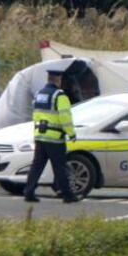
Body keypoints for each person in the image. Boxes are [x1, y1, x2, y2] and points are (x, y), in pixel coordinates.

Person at [23, 69, 79, 203]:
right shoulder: (60, 96)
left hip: (40, 137)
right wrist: (71, 133)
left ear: (48, 79)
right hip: (55, 138)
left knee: (36, 166)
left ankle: (28, 192)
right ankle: (68, 195)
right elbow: (65, 117)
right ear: (58, 80)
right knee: (60, 167)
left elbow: (35, 114)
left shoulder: (39, 95)